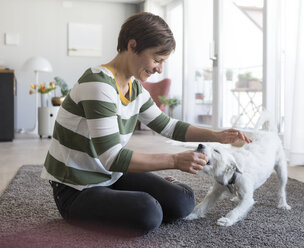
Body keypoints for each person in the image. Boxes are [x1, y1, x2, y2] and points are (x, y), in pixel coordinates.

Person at [41, 12, 251, 236]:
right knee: (149, 212)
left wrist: (217, 136)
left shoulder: (135, 89)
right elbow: (112, 157)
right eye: (157, 59)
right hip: (76, 190)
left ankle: (138, 198)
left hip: (112, 176)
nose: (159, 69)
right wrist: (174, 160)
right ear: (133, 45)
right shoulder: (98, 85)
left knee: (183, 201)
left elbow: (168, 126)